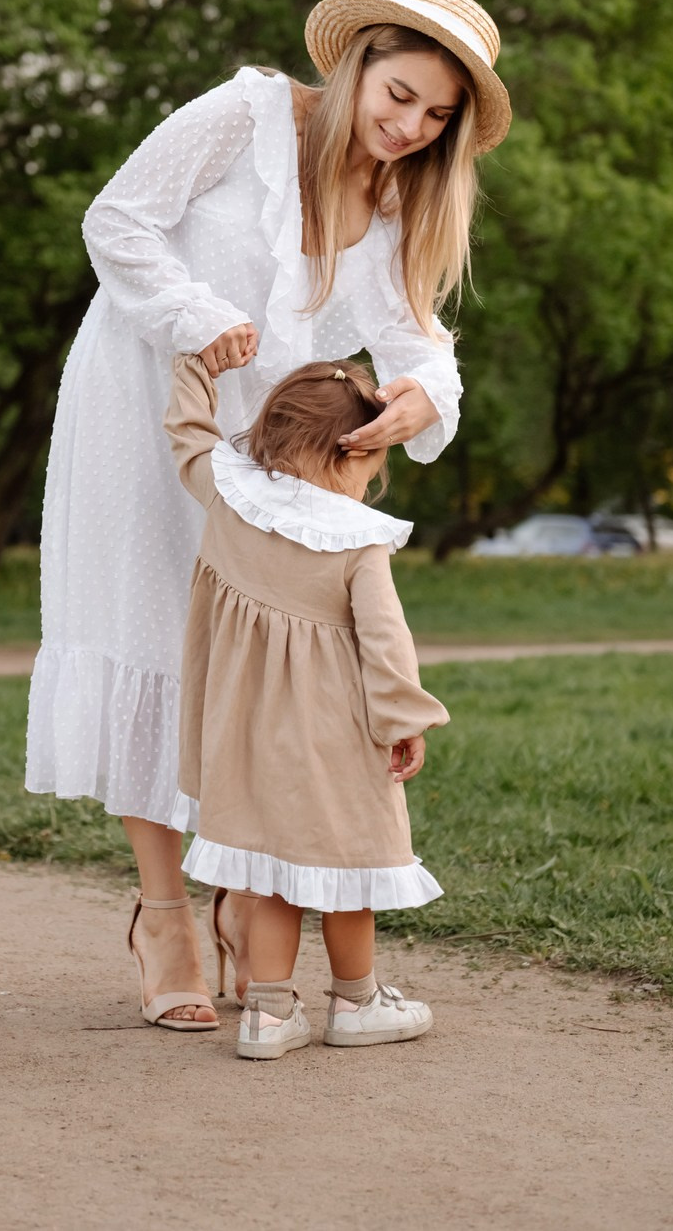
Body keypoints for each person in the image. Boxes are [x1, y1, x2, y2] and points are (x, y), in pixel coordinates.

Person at [25, 0, 511, 1029]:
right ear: (356, 61)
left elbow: (418, 336)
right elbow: (116, 221)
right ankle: (165, 918)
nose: (407, 128)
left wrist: (424, 391)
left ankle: (253, 908)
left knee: (246, 666)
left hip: (262, 443)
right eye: (399, 94)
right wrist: (197, 314)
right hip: (142, 396)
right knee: (153, 636)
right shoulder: (241, 116)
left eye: (433, 120)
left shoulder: (391, 200)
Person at [163, 352, 449, 1058]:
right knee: (348, 875)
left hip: (248, 740)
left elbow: (188, 434)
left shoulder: (228, 497)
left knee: (273, 878)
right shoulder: (357, 542)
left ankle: (266, 1013)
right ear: (355, 454)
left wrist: (195, 362)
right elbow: (387, 646)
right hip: (334, 743)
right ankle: (355, 1003)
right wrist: (403, 721)